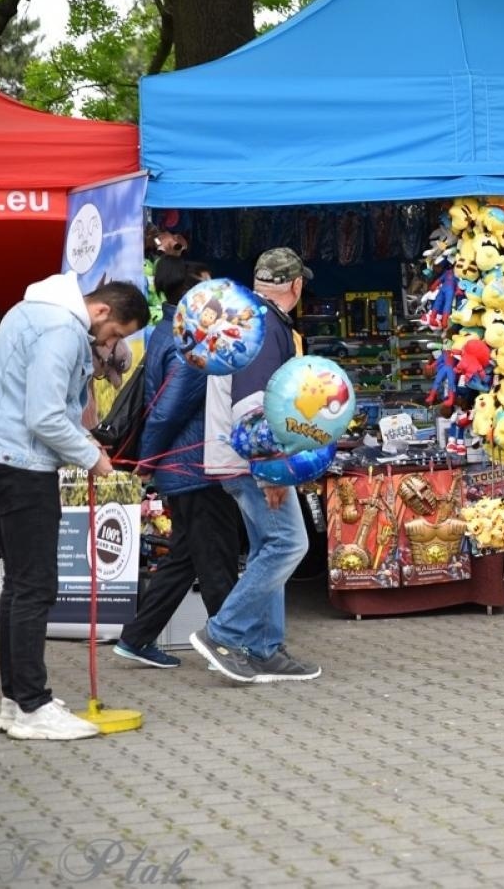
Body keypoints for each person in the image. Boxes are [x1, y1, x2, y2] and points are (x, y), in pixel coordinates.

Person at [0, 274, 148, 741]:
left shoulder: (29, 308)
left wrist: (82, 439)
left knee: (19, 587)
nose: (109, 346)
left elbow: (43, 406)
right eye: (115, 336)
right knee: (35, 588)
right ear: (104, 311)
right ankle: (32, 706)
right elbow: (45, 414)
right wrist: (93, 458)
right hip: (22, 467)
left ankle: (16, 701)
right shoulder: (62, 329)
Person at [113, 258, 246, 669]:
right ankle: (229, 647)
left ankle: (136, 638)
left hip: (182, 463)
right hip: (194, 466)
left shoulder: (165, 331)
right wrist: (148, 460)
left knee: (186, 555)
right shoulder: (190, 340)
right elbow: (167, 411)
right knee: (217, 559)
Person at [192, 248, 316, 684]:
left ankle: (265, 648)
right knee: (287, 546)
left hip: (236, 457)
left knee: (270, 548)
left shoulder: (249, 319)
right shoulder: (264, 326)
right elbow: (253, 405)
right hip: (252, 460)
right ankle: (223, 633)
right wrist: (271, 470)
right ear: (296, 286)